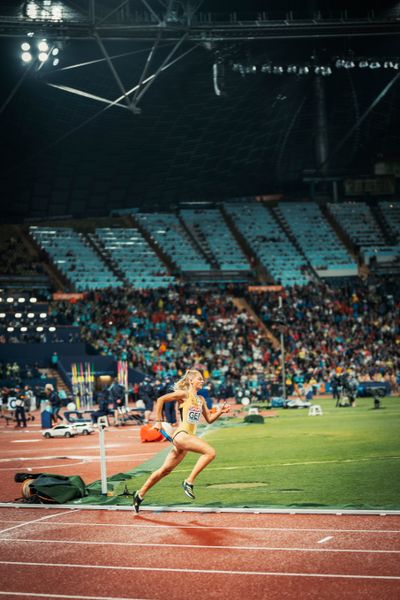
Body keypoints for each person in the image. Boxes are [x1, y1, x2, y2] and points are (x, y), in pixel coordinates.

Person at [133, 369, 230, 513]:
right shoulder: (184, 395)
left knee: (165, 470)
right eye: (199, 379)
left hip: (184, 441)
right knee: (210, 452)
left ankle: (139, 494)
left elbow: (209, 419)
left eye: (202, 379)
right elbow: (160, 400)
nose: (202, 381)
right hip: (182, 435)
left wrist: (220, 412)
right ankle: (188, 482)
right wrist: (159, 421)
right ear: (191, 381)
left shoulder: (201, 400)